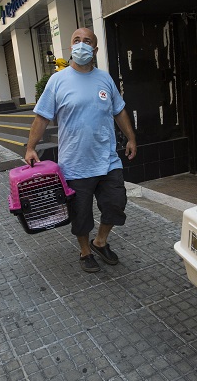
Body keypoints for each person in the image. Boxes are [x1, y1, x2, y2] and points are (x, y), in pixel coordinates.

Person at [25, 28, 137, 273]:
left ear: (95, 50)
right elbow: (42, 117)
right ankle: (85, 251)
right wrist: (31, 147)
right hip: (75, 163)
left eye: (87, 41)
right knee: (81, 214)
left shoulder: (104, 79)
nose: (81, 44)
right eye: (77, 40)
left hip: (107, 160)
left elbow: (119, 110)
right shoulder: (57, 81)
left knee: (116, 203)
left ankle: (100, 242)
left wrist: (131, 138)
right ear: (70, 47)